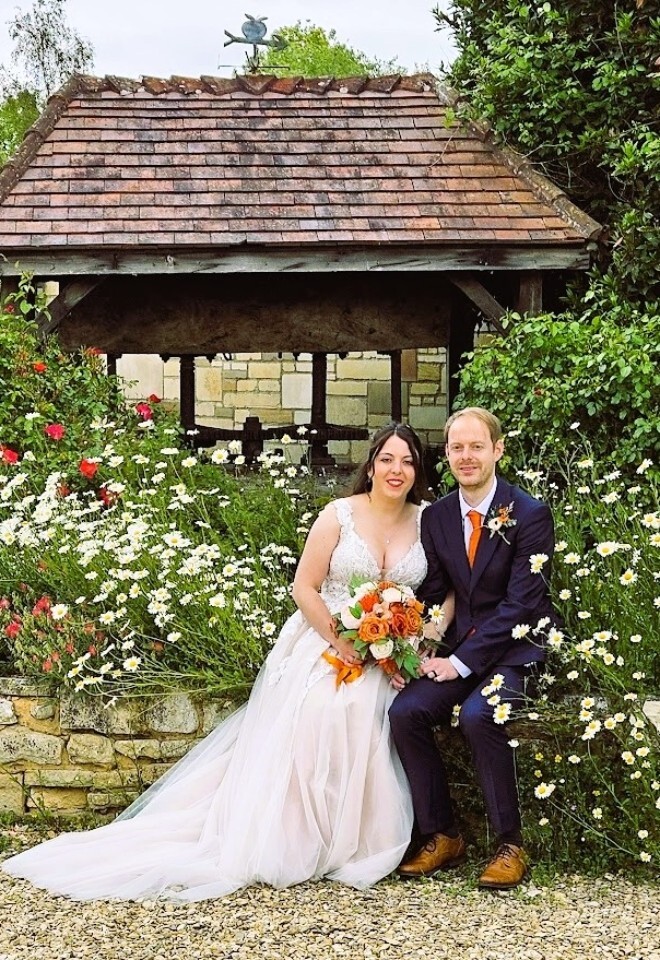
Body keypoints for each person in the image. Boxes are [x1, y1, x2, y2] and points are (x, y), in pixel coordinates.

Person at [3, 423, 448, 901]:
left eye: (407, 461)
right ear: (372, 463)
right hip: (327, 636)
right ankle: (310, 835)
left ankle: (364, 837)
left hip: (392, 647)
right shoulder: (338, 515)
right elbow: (304, 587)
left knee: (374, 706)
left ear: (417, 468)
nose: (396, 470)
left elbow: (446, 594)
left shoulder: (427, 520)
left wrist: (419, 642)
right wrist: (342, 640)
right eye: (387, 459)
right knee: (330, 705)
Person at [389, 407, 555, 890]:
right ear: (447, 455)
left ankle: (510, 844)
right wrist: (410, 647)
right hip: (457, 651)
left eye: (476, 446)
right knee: (405, 713)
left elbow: (523, 604)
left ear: (497, 450)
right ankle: (442, 835)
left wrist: (459, 663)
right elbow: (437, 591)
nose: (466, 456)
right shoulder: (437, 516)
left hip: (514, 652)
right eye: (457, 447)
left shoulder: (529, 514)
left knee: (481, 716)